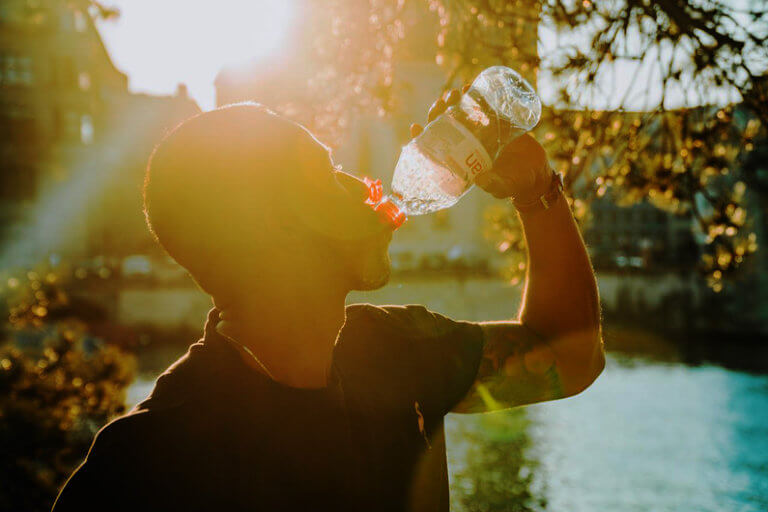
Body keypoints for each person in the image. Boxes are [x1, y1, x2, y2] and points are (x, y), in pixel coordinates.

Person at [53, 89, 604, 512]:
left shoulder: (396, 348)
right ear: (268, 229)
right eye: (325, 172)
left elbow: (571, 357)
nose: (364, 183)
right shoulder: (139, 468)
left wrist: (538, 193)